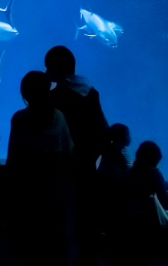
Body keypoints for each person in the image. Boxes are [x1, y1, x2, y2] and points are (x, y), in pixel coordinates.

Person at [45, 45, 108, 264]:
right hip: (86, 163)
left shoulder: (55, 97)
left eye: (47, 67)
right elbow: (103, 130)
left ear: (53, 70)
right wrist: (91, 156)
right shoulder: (90, 91)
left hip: (62, 167)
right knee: (86, 215)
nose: (45, 72)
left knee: (64, 216)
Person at [6, 71, 75, 266]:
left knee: (27, 241)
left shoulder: (19, 118)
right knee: (50, 243)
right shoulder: (59, 118)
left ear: (25, 94)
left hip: (25, 187)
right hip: (52, 189)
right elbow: (67, 156)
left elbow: (13, 158)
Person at [96, 123, 132, 235]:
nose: (130, 137)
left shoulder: (109, 149)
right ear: (119, 138)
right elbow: (127, 170)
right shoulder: (119, 151)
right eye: (127, 134)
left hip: (104, 185)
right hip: (115, 187)